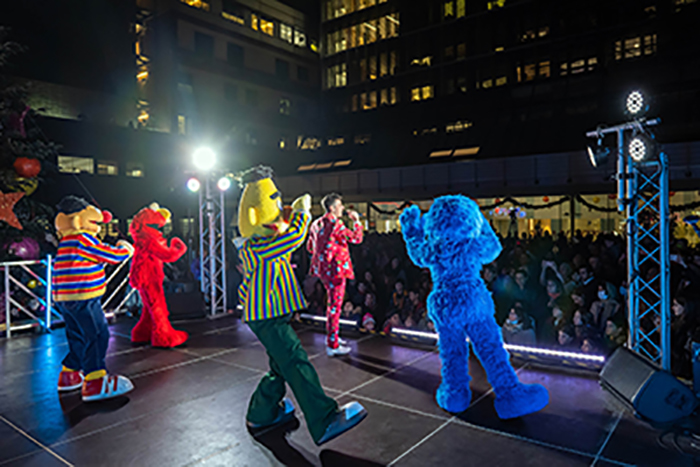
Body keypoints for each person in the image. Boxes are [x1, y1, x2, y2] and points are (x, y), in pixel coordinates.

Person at [235, 166, 366, 445]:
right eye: (273, 201)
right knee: (295, 361)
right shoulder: (256, 246)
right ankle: (323, 419)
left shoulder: (262, 244)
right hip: (267, 318)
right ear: (254, 214)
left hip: (271, 315)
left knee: (279, 367)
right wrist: (302, 214)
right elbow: (292, 239)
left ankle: (261, 412)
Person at [53, 196, 135, 402]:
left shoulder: (65, 241)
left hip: (65, 298)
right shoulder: (82, 239)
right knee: (97, 335)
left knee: (77, 335)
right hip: (84, 297)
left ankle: (69, 374)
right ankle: (95, 381)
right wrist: (125, 248)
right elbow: (110, 255)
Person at [307, 193, 364, 357]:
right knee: (334, 307)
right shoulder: (335, 224)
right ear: (332, 208)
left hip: (323, 271)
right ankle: (332, 345)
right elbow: (357, 238)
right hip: (336, 271)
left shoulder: (316, 223)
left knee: (333, 305)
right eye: (340, 205)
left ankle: (334, 338)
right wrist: (356, 222)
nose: (343, 208)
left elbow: (310, 248)